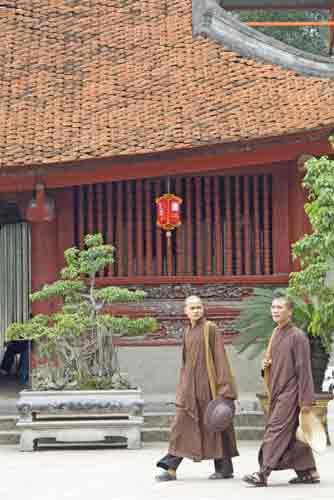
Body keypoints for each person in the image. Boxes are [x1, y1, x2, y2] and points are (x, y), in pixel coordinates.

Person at [156, 295, 239, 481]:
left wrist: (225, 391)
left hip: (210, 388)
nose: (196, 311)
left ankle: (224, 468)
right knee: (182, 425)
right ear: (185, 311)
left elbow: (220, 359)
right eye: (192, 308)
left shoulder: (210, 329)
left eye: (199, 307)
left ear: (204, 309)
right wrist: (182, 389)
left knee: (217, 425)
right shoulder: (187, 332)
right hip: (190, 390)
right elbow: (185, 364)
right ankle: (171, 466)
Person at [243, 293, 320, 487]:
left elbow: (304, 370)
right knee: (293, 434)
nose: (275, 311)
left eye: (279, 307)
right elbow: (274, 365)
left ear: (290, 312)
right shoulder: (277, 333)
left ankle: (263, 472)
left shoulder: (298, 337)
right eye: (273, 308)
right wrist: (265, 366)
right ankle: (308, 472)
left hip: (291, 394)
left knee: (274, 431)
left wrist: (306, 401)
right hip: (277, 392)